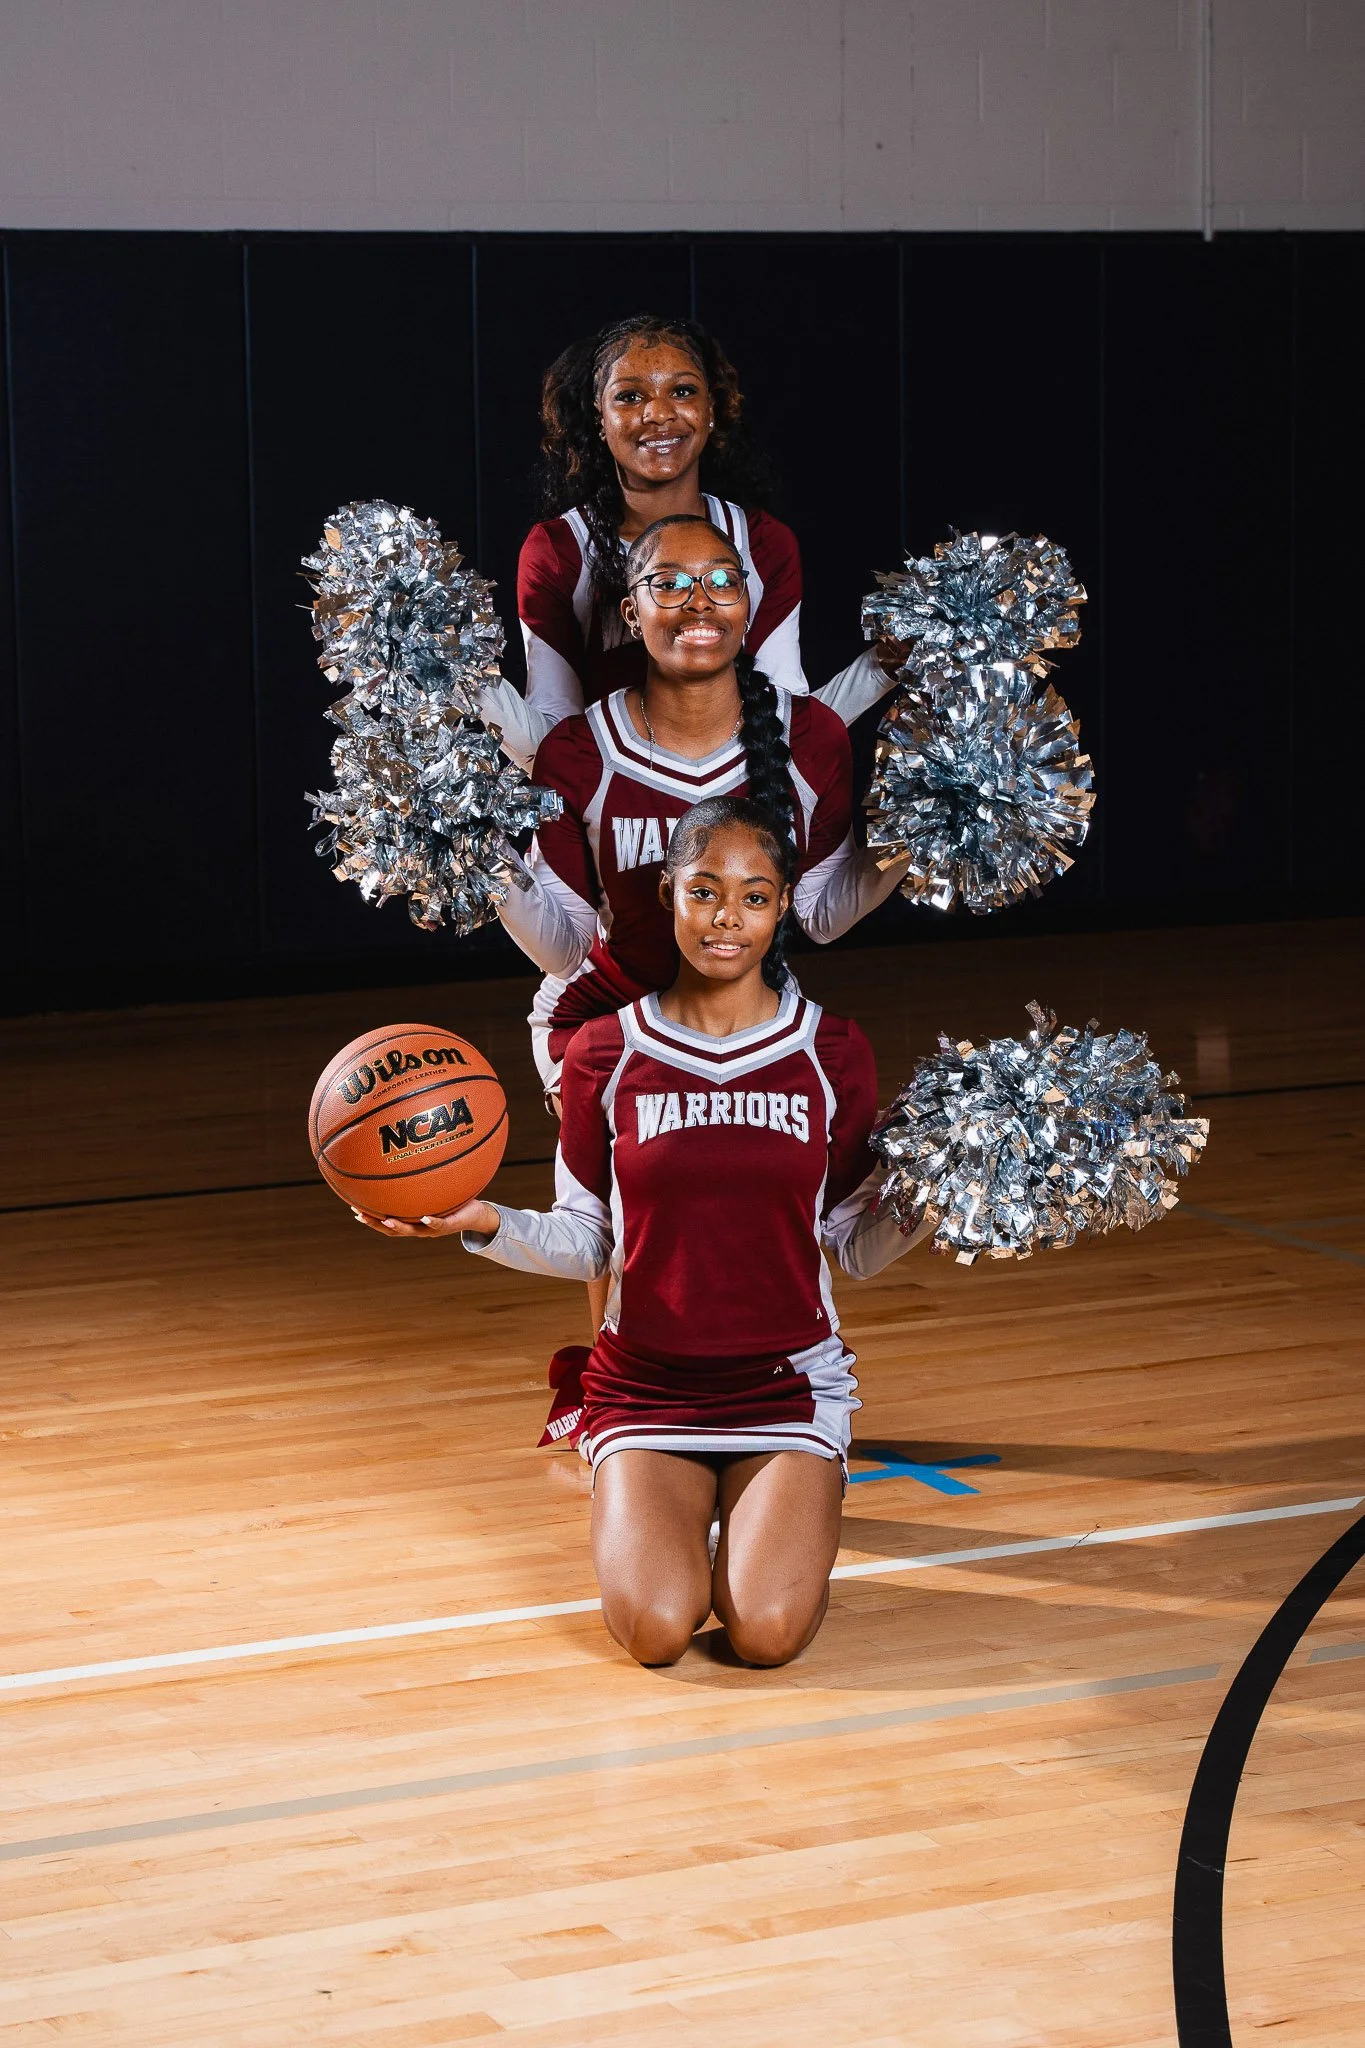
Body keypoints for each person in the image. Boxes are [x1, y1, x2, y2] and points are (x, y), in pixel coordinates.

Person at [359, 797, 929, 1668]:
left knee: (766, 1636)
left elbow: (850, 1241)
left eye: (753, 897)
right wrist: (481, 1222)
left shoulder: (831, 1050)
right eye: (703, 892)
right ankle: (677, 1508)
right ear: (668, 895)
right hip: (644, 1387)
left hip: (786, 1385)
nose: (725, 920)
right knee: (658, 1632)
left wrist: (935, 1199)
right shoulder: (602, 1052)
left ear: (781, 909)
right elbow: (588, 1238)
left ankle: (770, 1510)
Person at [496, 511, 911, 1105]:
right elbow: (566, 947)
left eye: (722, 581)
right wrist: (476, 860)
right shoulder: (580, 751)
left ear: (745, 605)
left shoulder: (812, 738)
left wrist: (924, 839)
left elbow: (819, 912)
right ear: (630, 615)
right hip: (602, 1020)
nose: (699, 603)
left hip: (751, 1011)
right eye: (668, 584)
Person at [475, 314, 897, 772]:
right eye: (630, 396)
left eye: (682, 391)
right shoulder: (561, 548)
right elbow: (551, 735)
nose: (658, 413)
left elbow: (788, 721)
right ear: (599, 417)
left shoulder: (761, 542)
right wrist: (456, 673)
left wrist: (883, 666)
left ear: (711, 409)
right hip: (605, 813)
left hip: (732, 818)